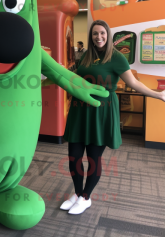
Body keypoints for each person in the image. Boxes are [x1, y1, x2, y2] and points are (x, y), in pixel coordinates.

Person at [60, 19, 165, 215]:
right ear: (90, 37)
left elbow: (133, 83)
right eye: (94, 34)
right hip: (80, 110)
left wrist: (158, 94)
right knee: (74, 157)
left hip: (101, 111)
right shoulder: (86, 56)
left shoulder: (117, 58)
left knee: (93, 158)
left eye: (102, 33)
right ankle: (77, 193)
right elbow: (73, 75)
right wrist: (54, 70)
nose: (98, 37)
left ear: (108, 35)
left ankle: (85, 197)